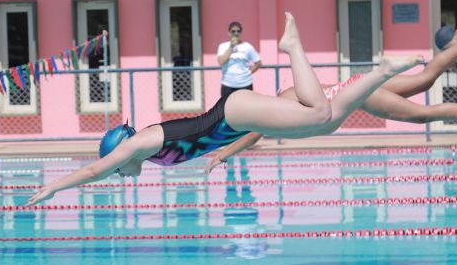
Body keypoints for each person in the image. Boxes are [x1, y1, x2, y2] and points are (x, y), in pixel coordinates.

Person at [27, 13, 422, 206]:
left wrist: (55, 187)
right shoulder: (147, 154)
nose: (120, 176)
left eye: (118, 170)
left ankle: (304, 51)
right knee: (326, 120)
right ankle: (371, 73)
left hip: (231, 112)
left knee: (320, 114)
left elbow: (96, 169)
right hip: (233, 120)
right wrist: (229, 151)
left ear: (119, 154)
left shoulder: (142, 143)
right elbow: (106, 169)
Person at [205, 27, 457, 173]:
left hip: (361, 95)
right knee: (426, 79)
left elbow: (255, 133)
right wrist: (226, 152)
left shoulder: (278, 106)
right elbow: (255, 132)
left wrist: (225, 153)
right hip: (359, 85)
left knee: (423, 114)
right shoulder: (280, 101)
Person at [217, 21, 262, 97]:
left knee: (245, 108)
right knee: (226, 108)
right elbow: (221, 61)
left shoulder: (247, 46)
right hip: (228, 84)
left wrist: (247, 72)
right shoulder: (223, 46)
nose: (236, 33)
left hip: (245, 84)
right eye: (233, 31)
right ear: (229, 33)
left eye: (238, 31)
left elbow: (258, 63)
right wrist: (231, 46)